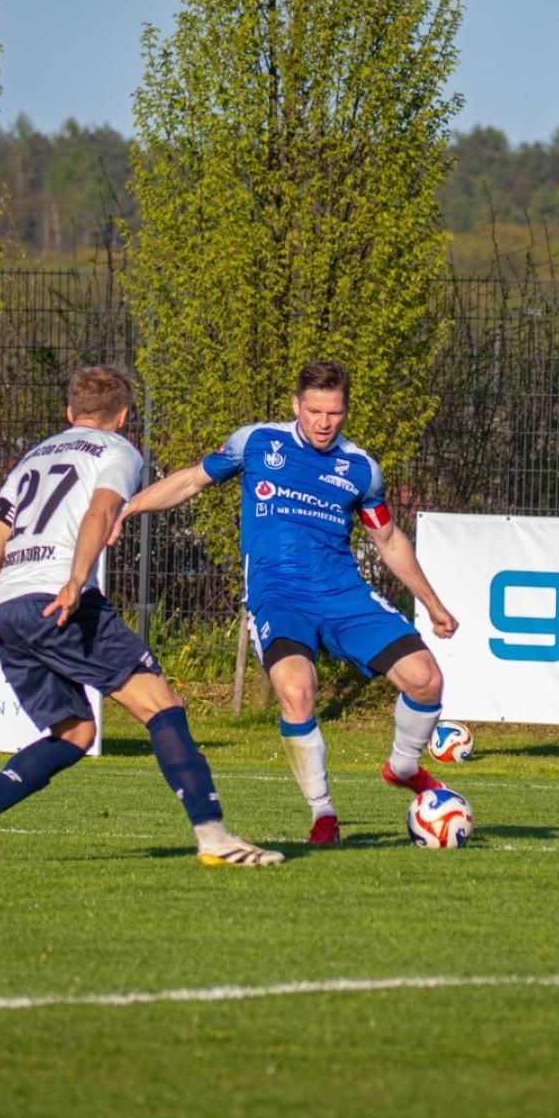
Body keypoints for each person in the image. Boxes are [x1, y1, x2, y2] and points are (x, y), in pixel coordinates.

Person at [0, 365, 283, 868]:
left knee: (76, 732)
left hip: (8, 607)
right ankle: (212, 836)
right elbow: (100, 514)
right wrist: (77, 581)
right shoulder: (117, 451)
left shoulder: (29, 461)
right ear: (122, 416)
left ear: (69, 413)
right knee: (161, 704)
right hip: (59, 599)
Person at [116, 359, 459, 845]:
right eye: (315, 411)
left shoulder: (361, 469)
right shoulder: (256, 442)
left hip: (342, 594)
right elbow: (192, 480)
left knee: (426, 679)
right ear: (296, 405)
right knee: (297, 691)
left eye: (334, 413)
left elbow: (387, 539)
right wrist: (128, 508)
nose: (324, 422)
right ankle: (323, 814)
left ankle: (403, 767)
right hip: (278, 596)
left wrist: (433, 603)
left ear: (346, 411)